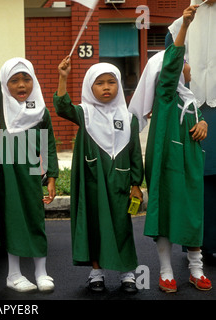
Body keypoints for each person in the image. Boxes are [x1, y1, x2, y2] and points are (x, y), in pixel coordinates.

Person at [128, 5, 211, 293]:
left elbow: (198, 126)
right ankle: (165, 271)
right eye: (184, 63)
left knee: (191, 212)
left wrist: (204, 126)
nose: (189, 66)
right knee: (164, 213)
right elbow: (174, 60)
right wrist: (185, 26)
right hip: (164, 161)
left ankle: (195, 268)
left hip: (189, 163)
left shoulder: (191, 101)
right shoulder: (165, 96)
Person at [0, 25, 59, 292]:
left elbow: (48, 143)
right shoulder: (3, 106)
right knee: (12, 218)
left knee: (35, 217)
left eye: (26, 78)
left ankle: (41, 271)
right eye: (14, 80)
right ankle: (13, 274)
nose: (21, 85)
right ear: (6, 84)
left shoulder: (41, 110)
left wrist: (52, 176)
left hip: (33, 168)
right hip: (9, 166)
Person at [54, 57, 144, 293]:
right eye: (100, 83)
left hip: (120, 182)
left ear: (119, 85)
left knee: (121, 225)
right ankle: (96, 273)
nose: (106, 87)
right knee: (94, 224)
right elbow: (61, 107)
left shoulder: (129, 118)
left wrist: (136, 183)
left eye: (111, 82)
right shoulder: (85, 113)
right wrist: (63, 77)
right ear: (89, 87)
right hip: (92, 182)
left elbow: (135, 152)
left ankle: (127, 273)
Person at [166, 0, 216, 262]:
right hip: (191, 112)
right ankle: (198, 246)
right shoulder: (177, 28)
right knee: (197, 179)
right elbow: (168, 70)